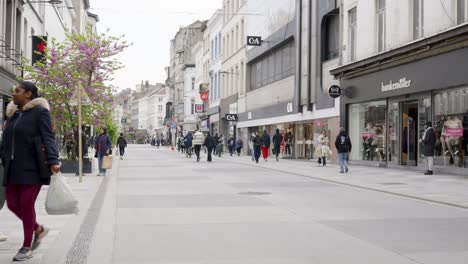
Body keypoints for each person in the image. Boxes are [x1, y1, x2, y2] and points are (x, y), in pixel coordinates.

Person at [1, 81, 60, 261]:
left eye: (17, 91)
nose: (13, 94)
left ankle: (27, 247)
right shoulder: (13, 115)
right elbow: (6, 142)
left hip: (32, 168)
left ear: (28, 94)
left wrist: (53, 159)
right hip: (11, 168)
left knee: (26, 205)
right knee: (12, 204)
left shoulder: (40, 112)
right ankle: (38, 229)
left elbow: (48, 137)